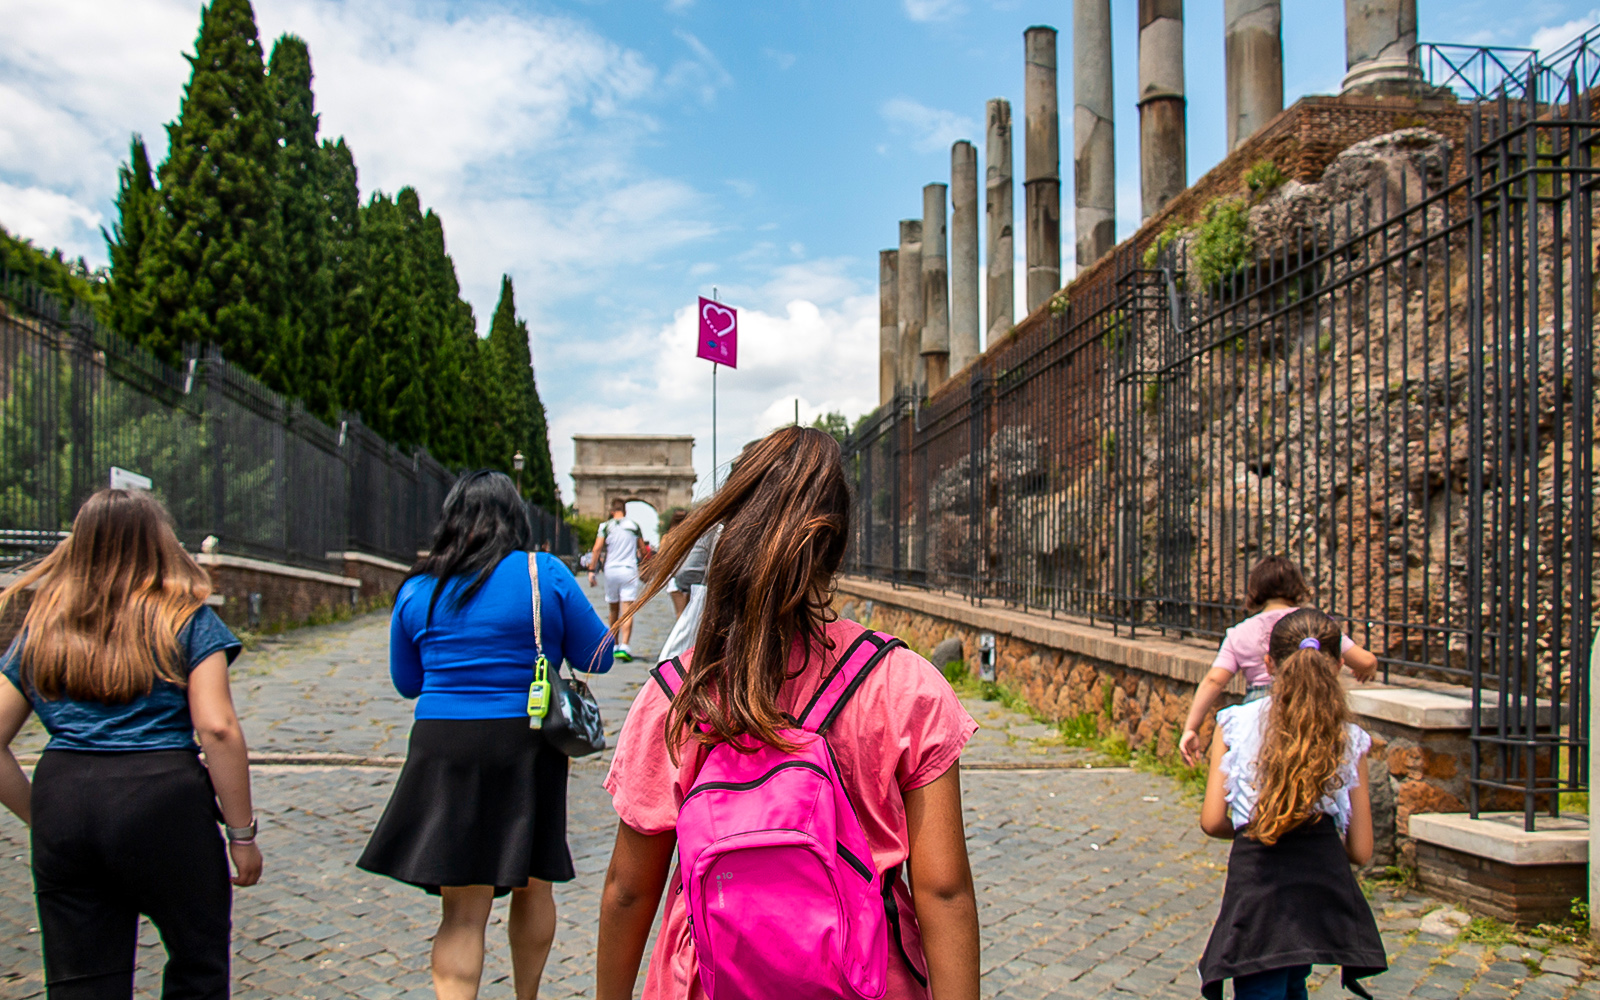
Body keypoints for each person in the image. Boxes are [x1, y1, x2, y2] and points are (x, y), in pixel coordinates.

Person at [595, 427, 981, 1000]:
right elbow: (943, 891)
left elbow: (629, 891)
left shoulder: (679, 694)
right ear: (839, 544)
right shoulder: (905, 687)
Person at [357, 471, 614, 1000]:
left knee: (462, 914)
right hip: (527, 743)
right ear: (516, 519)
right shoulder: (545, 574)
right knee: (535, 882)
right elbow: (600, 655)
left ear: (450, 520)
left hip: (443, 746)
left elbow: (408, 684)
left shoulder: (417, 587)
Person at [0, 488, 262, 999]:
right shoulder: (186, 619)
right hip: (164, 800)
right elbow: (218, 729)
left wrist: (42, 815)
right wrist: (242, 834)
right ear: (158, 544)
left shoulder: (43, 627)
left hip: (65, 796)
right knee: (197, 962)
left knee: (81, 979)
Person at [1197, 607, 1386, 999]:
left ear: (1268, 664)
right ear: (1336, 666)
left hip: (1258, 890)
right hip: (1316, 893)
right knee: (1293, 982)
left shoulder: (1235, 724)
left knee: (1262, 986)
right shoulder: (1350, 739)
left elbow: (1214, 821)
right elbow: (1361, 851)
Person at [1180, 556, 1378, 765]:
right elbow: (1364, 661)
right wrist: (1369, 666)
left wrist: (1191, 727)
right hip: (1313, 705)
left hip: (1258, 714)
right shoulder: (1312, 624)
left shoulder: (1239, 633)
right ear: (1297, 586)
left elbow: (1214, 680)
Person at [588, 500, 643, 662]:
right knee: (627, 610)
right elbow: (642, 549)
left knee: (613, 609)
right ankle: (625, 646)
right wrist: (646, 566)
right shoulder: (634, 526)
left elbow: (597, 549)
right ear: (624, 511)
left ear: (612, 511)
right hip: (629, 570)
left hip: (611, 570)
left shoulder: (605, 526)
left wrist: (592, 570)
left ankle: (614, 644)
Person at [660, 509, 690, 618]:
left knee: (680, 613)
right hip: (689, 575)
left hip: (673, 576)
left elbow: (661, 558)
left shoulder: (667, 538)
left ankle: (681, 634)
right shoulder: (690, 536)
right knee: (688, 613)